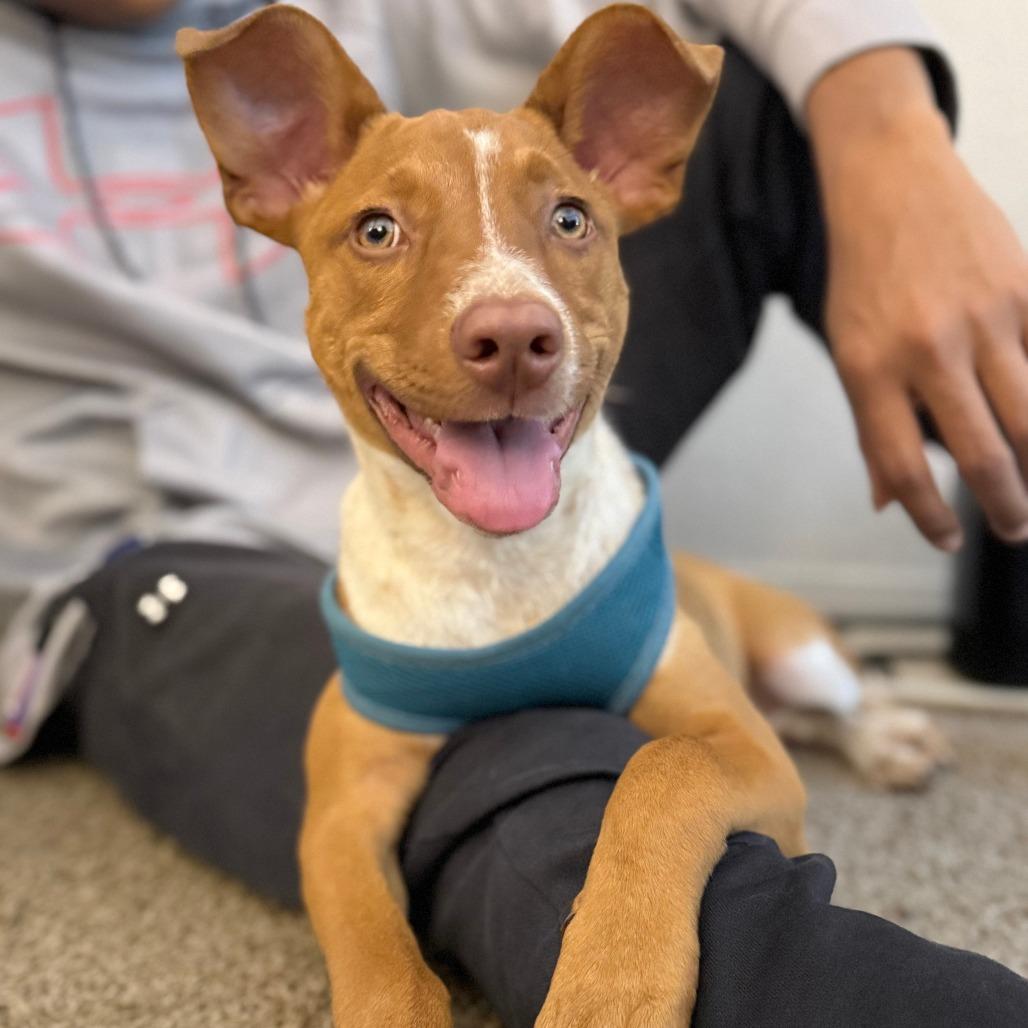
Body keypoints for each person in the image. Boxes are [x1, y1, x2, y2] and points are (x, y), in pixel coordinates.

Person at [1, 1, 1026, 1025]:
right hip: (188, 545)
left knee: (788, 98)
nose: (506, 316)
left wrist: (890, 144)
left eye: (571, 217)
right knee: (500, 780)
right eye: (378, 226)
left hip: (532, 463)